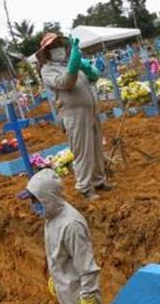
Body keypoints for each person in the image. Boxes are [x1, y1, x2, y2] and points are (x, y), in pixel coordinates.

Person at [18, 169, 122, 304]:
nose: (33, 206)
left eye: (35, 200)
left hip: (79, 288)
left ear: (48, 197)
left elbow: (87, 267)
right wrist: (54, 277)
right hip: (64, 285)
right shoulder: (51, 217)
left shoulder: (71, 225)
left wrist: (88, 297)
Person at [36, 32, 112, 201]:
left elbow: (91, 79)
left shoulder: (68, 63)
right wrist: (74, 65)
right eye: (53, 47)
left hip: (91, 111)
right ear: (47, 51)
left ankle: (99, 180)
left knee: (96, 147)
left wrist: (88, 70)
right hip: (74, 114)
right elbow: (65, 83)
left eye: (59, 45)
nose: (58, 49)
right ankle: (85, 187)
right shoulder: (47, 70)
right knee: (82, 151)